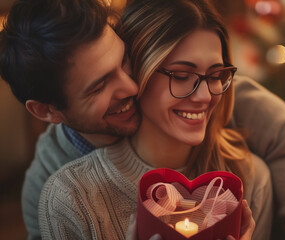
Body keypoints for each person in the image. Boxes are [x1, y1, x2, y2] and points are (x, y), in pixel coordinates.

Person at [0, 0, 285, 239]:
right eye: (99, 86)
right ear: (48, 111)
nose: (130, 84)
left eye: (123, 62)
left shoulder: (251, 144)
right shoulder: (57, 190)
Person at [39, 0, 272, 239]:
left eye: (215, 75)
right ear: (138, 72)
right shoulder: (72, 197)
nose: (205, 97)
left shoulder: (250, 181)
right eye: (181, 75)